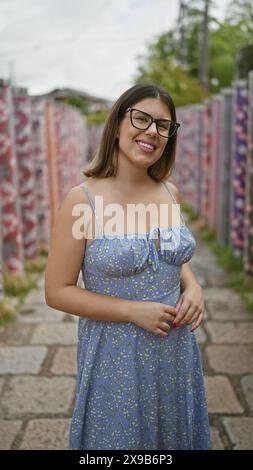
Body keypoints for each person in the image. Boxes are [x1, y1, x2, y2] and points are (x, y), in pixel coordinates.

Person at [44, 83, 212, 450]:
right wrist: (132, 311)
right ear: (118, 124)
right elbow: (57, 291)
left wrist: (193, 286)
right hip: (114, 354)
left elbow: (166, 253)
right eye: (142, 118)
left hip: (175, 347)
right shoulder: (83, 200)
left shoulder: (169, 192)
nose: (152, 131)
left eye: (164, 125)